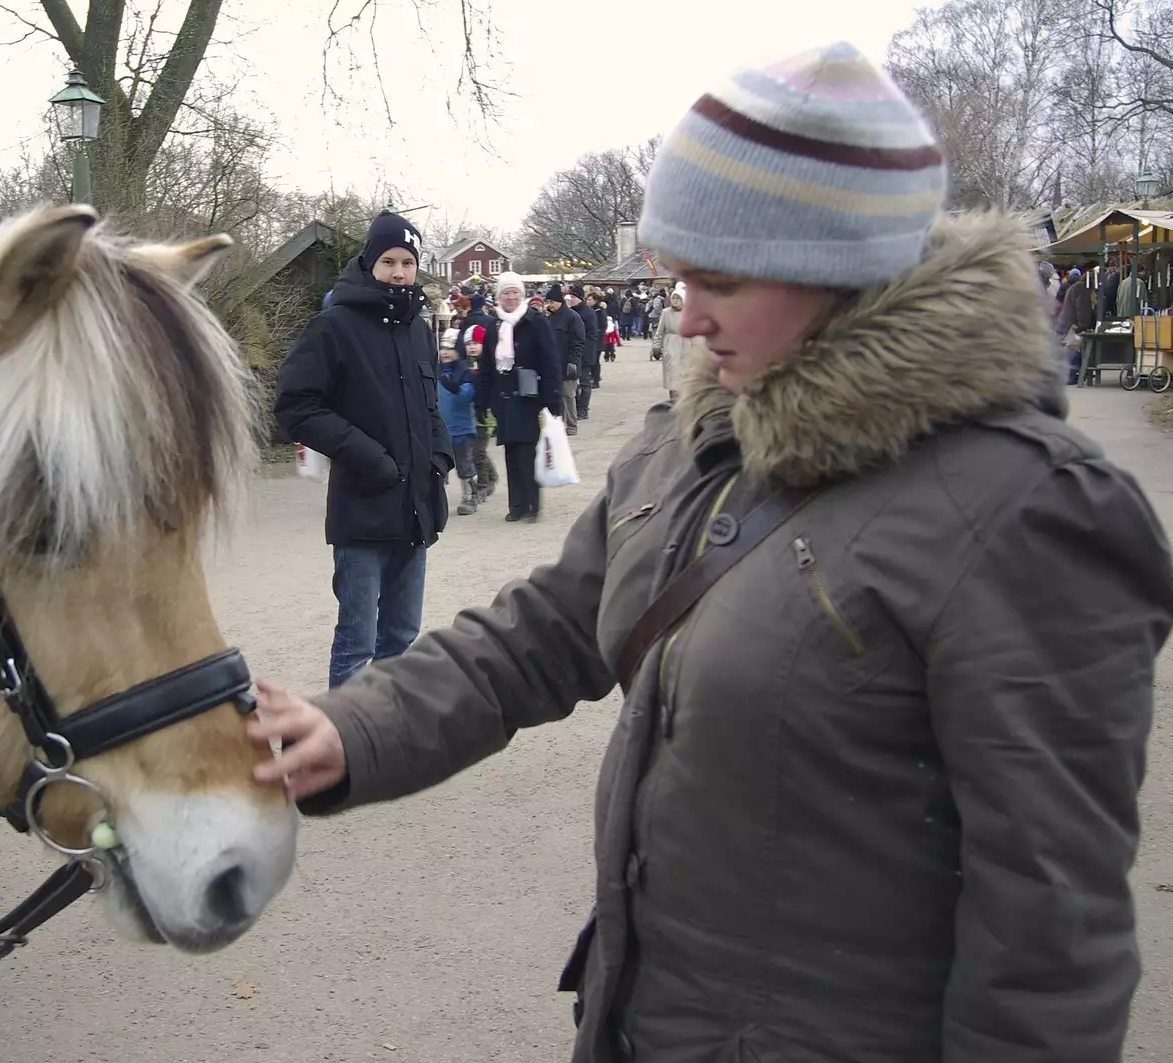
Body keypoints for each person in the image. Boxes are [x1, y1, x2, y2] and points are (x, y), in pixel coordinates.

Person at [247, 40, 1173, 1063]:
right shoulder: (696, 441)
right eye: (674, 275)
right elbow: (540, 635)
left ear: (843, 271)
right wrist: (352, 728)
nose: (682, 316)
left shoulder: (1026, 513)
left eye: (718, 279)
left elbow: (1048, 941)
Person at [274, 210, 452, 688]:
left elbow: (430, 404)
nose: (399, 272)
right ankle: (345, 750)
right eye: (389, 260)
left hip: (417, 508)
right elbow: (296, 406)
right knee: (358, 641)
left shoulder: (417, 329)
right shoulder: (334, 327)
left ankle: (387, 741)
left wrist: (440, 456)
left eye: (408, 262)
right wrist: (367, 456)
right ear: (370, 262)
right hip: (363, 509)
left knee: (401, 637)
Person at [466, 271, 561, 523]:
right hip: (503, 395)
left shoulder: (535, 321)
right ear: (499, 296)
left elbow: (550, 361)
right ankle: (516, 505)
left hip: (529, 395)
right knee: (510, 452)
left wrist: (553, 398)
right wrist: (481, 400)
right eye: (506, 292)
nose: (510, 297)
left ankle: (532, 504)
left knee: (527, 451)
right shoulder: (493, 324)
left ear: (522, 295)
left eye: (514, 292)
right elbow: (486, 365)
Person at [439, 326, 481, 516]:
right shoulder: (435, 370)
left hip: (461, 428)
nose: (445, 352)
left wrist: (453, 386)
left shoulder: (465, 371)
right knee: (438, 465)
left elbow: (466, 397)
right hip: (440, 428)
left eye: (450, 348)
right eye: (443, 348)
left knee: (464, 463)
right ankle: (437, 499)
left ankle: (470, 496)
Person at [543, 284, 585, 436]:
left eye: (551, 302)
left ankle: (571, 426)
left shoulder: (573, 317)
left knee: (568, 396)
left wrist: (573, 361)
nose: (549, 305)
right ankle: (559, 424)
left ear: (557, 301)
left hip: (568, 363)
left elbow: (578, 341)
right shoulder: (551, 318)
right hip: (554, 364)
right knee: (556, 395)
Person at [652, 284, 691, 402]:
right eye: (673, 298)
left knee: (687, 375)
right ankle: (673, 399)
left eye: (678, 298)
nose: (675, 301)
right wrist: (656, 347)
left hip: (687, 346)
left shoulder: (690, 312)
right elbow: (659, 331)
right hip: (671, 345)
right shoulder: (666, 312)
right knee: (673, 374)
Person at [568, 284, 601, 417]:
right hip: (573, 353)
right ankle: (575, 407)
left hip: (585, 352)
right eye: (570, 296)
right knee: (572, 383)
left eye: (574, 297)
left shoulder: (588, 313)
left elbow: (592, 335)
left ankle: (583, 409)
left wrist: (585, 351)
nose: (571, 299)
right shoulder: (570, 312)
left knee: (584, 382)